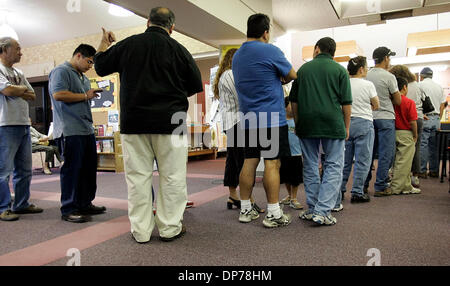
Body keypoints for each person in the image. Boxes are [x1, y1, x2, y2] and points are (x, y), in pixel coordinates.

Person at [94, 7, 203, 243]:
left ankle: (141, 232)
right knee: (172, 177)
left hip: (134, 122)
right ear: (171, 28)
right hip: (171, 122)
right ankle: (170, 228)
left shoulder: (129, 45)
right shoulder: (179, 50)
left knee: (137, 178)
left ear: (147, 22)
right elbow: (195, 84)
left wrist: (103, 43)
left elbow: (100, 66)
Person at [232, 13, 297, 228]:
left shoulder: (238, 55)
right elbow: (292, 74)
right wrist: (282, 78)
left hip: (248, 117)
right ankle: (273, 213)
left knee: (249, 161)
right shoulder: (270, 50)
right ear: (266, 32)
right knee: (272, 163)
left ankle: (245, 209)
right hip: (271, 117)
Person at [289, 37, 352, 226]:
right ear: (333, 53)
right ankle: (323, 211)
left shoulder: (303, 70)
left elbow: (294, 102)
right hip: (332, 123)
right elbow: (346, 104)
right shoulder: (340, 70)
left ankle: (314, 208)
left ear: (317, 49)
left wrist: (298, 123)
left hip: (307, 123)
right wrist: (346, 127)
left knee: (310, 165)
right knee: (333, 165)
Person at [49, 44, 106, 223]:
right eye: (89, 62)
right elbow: (58, 94)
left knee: (88, 169)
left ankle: (84, 203)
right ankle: (68, 208)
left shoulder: (83, 77)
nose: (90, 66)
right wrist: (85, 96)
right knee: (72, 170)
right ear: (79, 56)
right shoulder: (61, 71)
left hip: (85, 129)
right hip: (69, 130)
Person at [212, 48, 264, 213]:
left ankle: (233, 195)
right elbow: (243, 97)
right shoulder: (230, 74)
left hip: (233, 123)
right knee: (243, 161)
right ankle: (248, 198)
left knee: (233, 160)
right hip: (237, 123)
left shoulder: (226, 75)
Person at [0, 37, 44, 222]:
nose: (21, 52)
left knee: (25, 169)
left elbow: (32, 94)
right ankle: (3, 207)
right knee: (4, 170)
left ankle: (22, 204)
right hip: (5, 125)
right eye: (17, 49)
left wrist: (15, 89)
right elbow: (8, 92)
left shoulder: (19, 72)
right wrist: (18, 90)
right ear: (3, 49)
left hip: (24, 126)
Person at [336, 56, 379, 208]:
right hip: (364, 123)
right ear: (361, 69)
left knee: (344, 161)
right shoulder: (368, 84)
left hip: (345, 123)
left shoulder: (344, 83)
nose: (367, 69)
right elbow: (376, 104)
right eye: (366, 67)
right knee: (363, 161)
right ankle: (357, 192)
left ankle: (339, 191)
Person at [364, 46, 402, 197]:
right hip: (386, 118)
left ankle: (363, 185)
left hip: (369, 117)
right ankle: (380, 186)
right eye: (389, 58)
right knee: (386, 153)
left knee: (368, 154)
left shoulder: (366, 74)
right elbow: (398, 100)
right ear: (386, 58)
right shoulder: (389, 76)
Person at [389, 65, 423, 187]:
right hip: (415, 118)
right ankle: (414, 176)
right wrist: (415, 134)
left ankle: (394, 174)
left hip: (397, 122)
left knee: (396, 151)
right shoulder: (416, 85)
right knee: (415, 149)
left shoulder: (393, 86)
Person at [418, 67, 446, 179]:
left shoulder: (420, 85)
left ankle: (422, 170)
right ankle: (434, 171)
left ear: (421, 76)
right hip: (436, 118)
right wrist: (439, 117)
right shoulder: (439, 87)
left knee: (423, 144)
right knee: (434, 146)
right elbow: (442, 104)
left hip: (426, 117)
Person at [279, 96, 304, 210]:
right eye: (291, 105)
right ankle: (289, 195)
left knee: (295, 178)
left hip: (297, 154)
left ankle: (294, 198)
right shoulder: (282, 122)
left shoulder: (298, 121)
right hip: (284, 154)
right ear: (285, 107)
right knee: (285, 177)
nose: (294, 107)